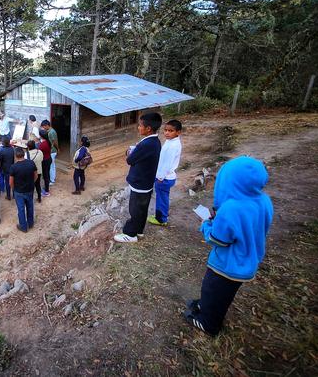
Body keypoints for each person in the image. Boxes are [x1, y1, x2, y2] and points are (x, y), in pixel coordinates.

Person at [184, 156, 273, 336]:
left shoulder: (231, 208)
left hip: (227, 265)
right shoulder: (264, 201)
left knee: (211, 288)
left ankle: (208, 324)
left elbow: (218, 240)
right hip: (247, 263)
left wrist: (206, 224)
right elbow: (250, 226)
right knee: (223, 294)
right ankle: (205, 305)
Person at [113, 112, 162, 243]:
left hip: (140, 183)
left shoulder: (146, 144)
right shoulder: (155, 142)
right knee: (142, 209)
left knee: (135, 210)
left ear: (148, 128)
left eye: (140, 126)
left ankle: (130, 234)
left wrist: (130, 152)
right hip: (146, 181)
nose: (138, 128)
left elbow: (130, 160)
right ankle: (139, 231)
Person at [148, 120, 183, 226]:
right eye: (166, 130)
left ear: (178, 132)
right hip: (165, 177)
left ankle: (161, 219)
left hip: (164, 177)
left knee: (161, 198)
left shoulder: (173, 146)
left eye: (171, 131)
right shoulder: (171, 142)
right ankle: (162, 215)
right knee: (163, 197)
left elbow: (167, 164)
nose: (167, 133)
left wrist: (160, 177)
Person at [10, 147, 38, 233]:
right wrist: (31, 183)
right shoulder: (31, 163)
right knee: (30, 206)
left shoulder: (13, 167)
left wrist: (14, 189)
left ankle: (23, 227)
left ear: (15, 156)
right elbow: (36, 176)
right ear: (23, 154)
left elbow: (11, 182)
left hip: (19, 191)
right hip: (29, 189)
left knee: (21, 209)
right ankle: (30, 223)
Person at [41, 119, 59, 185]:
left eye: (43, 126)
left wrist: (58, 149)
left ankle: (52, 180)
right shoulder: (48, 131)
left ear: (47, 125)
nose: (43, 128)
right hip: (50, 151)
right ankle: (50, 178)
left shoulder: (52, 132)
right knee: (50, 165)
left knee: (52, 165)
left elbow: (55, 142)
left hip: (52, 151)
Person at [38, 129, 52, 197]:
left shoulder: (42, 144)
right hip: (49, 158)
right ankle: (47, 187)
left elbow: (39, 152)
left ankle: (47, 191)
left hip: (45, 161)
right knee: (47, 174)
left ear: (41, 136)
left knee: (45, 175)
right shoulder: (48, 141)